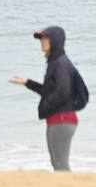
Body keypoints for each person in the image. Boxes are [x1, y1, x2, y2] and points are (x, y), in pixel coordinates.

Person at [9, 25, 82, 172]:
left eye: (46, 38)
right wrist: (27, 83)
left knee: (60, 164)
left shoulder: (60, 63)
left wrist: (46, 106)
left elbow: (63, 90)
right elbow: (49, 91)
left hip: (62, 119)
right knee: (57, 163)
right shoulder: (55, 63)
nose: (42, 41)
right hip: (58, 119)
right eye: (41, 38)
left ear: (55, 41)